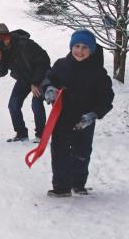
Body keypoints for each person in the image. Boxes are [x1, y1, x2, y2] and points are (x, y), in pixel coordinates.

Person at [41, 29, 114, 197]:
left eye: (85, 47)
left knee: (82, 152)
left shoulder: (98, 73)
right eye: (77, 46)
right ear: (71, 47)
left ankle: (78, 183)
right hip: (62, 116)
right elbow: (48, 78)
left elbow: (106, 98)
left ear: (92, 50)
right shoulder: (61, 65)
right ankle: (61, 187)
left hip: (84, 119)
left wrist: (94, 114)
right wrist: (49, 88)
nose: (80, 51)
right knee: (59, 151)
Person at [0, 23, 50, 143]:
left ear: (9, 36)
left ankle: (41, 135)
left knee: (36, 103)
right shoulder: (0, 49)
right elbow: (1, 73)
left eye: (4, 37)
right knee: (13, 104)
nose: (3, 41)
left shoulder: (25, 44)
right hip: (24, 79)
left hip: (40, 76)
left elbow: (44, 60)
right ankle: (21, 134)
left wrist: (35, 82)